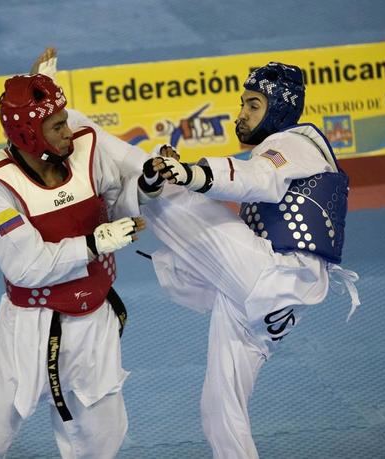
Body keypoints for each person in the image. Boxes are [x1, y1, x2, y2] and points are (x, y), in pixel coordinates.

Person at [138, 62, 360, 458]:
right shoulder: (283, 149)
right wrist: (184, 175)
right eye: (243, 103)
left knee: (165, 197)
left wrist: (188, 174)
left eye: (254, 105)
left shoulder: (293, 144)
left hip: (275, 276)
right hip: (268, 297)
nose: (241, 114)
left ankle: (99, 147)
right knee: (218, 411)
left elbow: (255, 178)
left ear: (277, 109)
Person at [0, 49, 155, 459]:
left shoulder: (83, 153)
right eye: (58, 126)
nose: (69, 130)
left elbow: (113, 205)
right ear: (30, 136)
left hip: (95, 315)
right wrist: (94, 244)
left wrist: (144, 188)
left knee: (102, 435)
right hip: (32, 325)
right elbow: (26, 266)